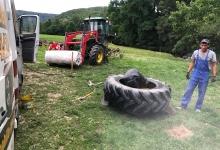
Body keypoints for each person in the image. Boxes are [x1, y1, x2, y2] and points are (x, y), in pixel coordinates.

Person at [176, 39, 217, 112]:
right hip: (195, 73)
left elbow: (214, 65)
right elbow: (192, 62)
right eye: (202, 45)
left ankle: (198, 107)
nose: (203, 46)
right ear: (200, 45)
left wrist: (214, 75)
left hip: (205, 74)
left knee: (202, 92)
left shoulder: (212, 54)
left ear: (208, 45)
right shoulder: (196, 52)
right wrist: (188, 72)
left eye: (205, 45)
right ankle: (183, 105)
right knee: (189, 89)